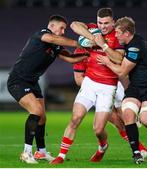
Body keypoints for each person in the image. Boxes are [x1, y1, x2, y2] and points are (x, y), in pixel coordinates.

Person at [7, 14, 89, 164]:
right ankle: (26, 153)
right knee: (36, 112)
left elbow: (71, 59)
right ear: (52, 26)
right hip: (18, 81)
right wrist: (79, 43)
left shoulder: (55, 45)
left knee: (42, 117)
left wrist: (88, 54)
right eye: (62, 28)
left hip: (32, 82)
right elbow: (52, 39)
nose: (64, 31)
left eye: (65, 28)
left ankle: (41, 153)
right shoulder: (42, 34)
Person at [50, 7, 125, 164]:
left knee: (98, 129)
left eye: (106, 23)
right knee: (75, 118)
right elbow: (75, 25)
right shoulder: (93, 29)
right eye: (100, 22)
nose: (102, 26)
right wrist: (92, 37)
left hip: (108, 86)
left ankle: (102, 147)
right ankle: (61, 156)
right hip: (90, 83)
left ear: (113, 22)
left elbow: (119, 60)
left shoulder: (117, 36)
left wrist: (103, 45)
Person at [97, 16, 147, 164]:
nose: (116, 35)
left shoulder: (135, 47)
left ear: (127, 33)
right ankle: (136, 153)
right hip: (136, 87)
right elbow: (136, 60)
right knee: (128, 114)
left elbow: (122, 72)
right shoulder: (132, 42)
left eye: (118, 32)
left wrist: (106, 59)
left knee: (146, 120)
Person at [72, 48, 147, 160]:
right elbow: (78, 79)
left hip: (113, 85)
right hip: (95, 89)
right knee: (116, 121)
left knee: (125, 118)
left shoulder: (106, 45)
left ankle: (139, 148)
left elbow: (125, 62)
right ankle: (140, 148)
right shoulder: (80, 53)